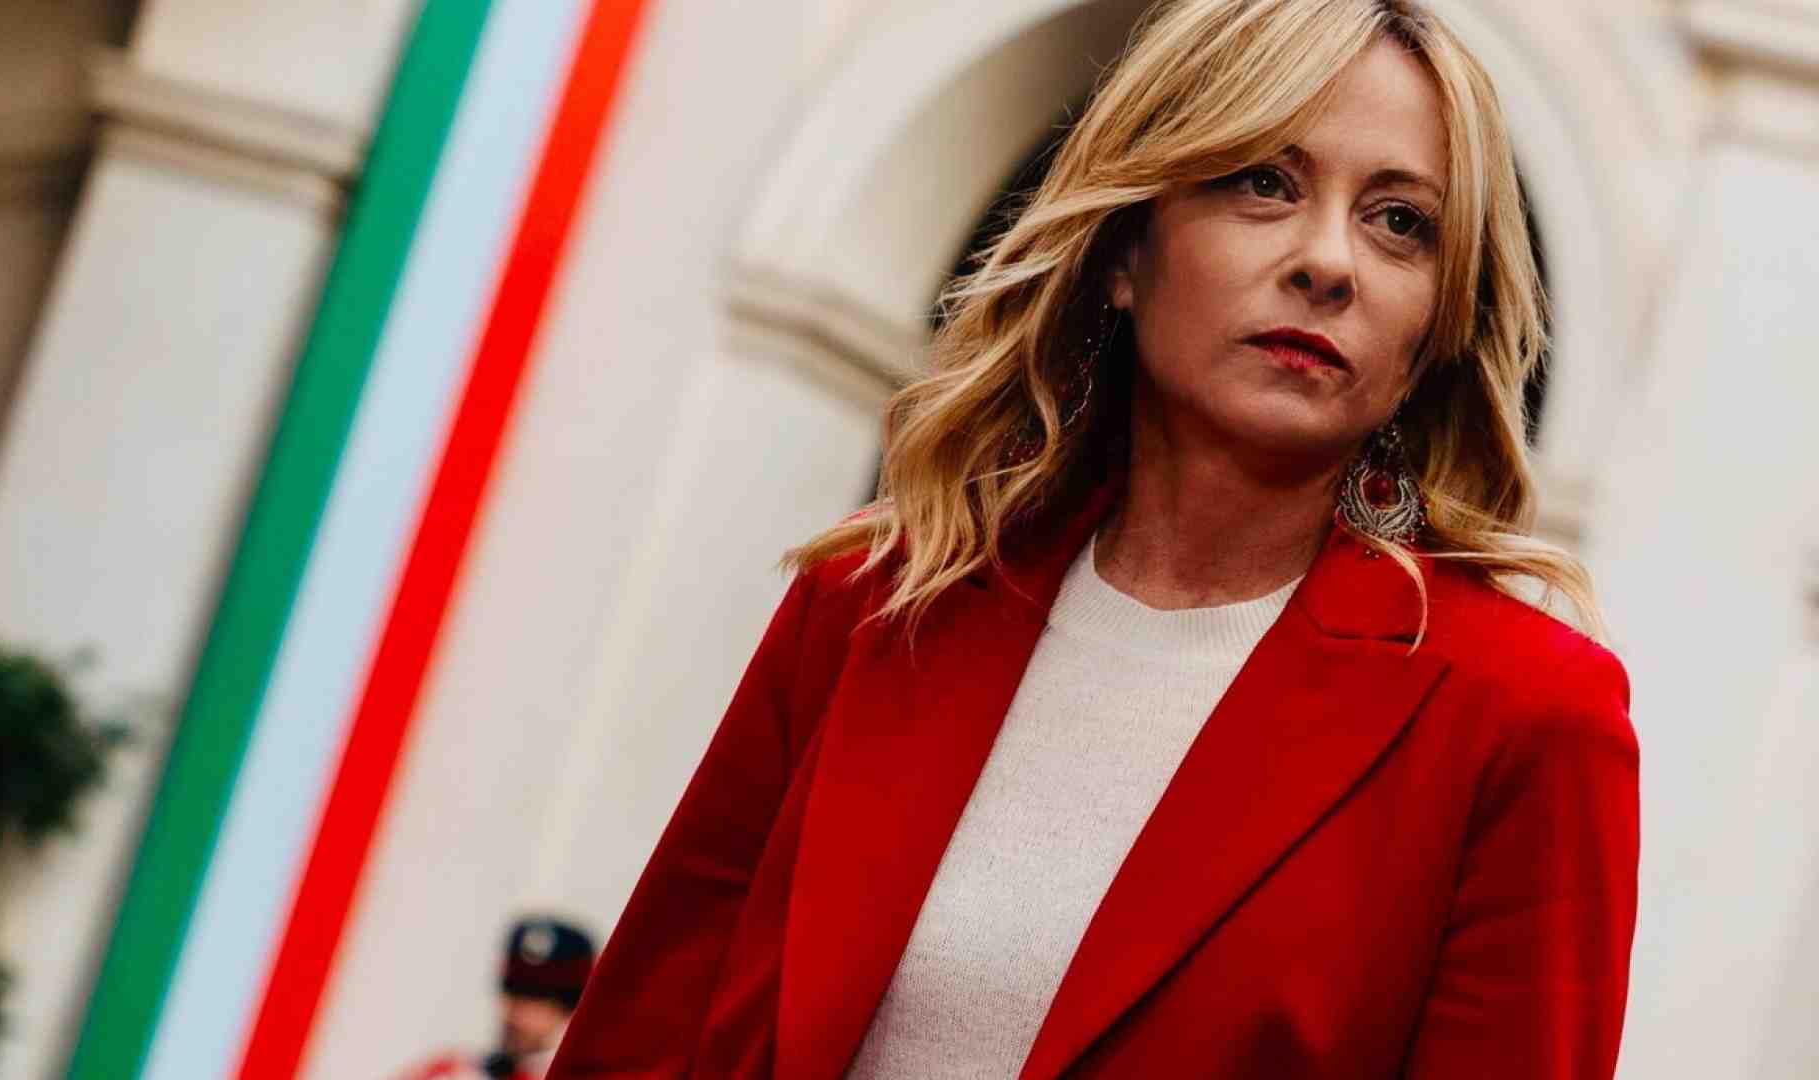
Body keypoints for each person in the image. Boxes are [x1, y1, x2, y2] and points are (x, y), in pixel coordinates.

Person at [549, 0, 1638, 1076]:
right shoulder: (875, 598)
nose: (1328, 261)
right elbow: (639, 1046)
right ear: (1127, 249)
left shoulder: (1524, 722)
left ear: (1436, 327)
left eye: (1401, 223)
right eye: (1264, 181)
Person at [401, 916, 595, 1080]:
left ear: (569, 1008)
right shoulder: (448, 1072)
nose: (516, 1013)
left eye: (537, 999)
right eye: (513, 991)